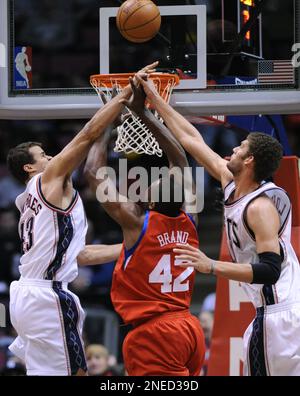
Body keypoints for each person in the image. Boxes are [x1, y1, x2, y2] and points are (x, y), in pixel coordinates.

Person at [136, 74, 300, 376]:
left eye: (239, 148)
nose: (232, 151)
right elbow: (191, 140)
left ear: (249, 160)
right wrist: (156, 99)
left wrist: (210, 265)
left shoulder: (260, 207)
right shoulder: (231, 182)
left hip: (280, 316)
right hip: (274, 315)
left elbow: (269, 270)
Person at [5, 62, 156, 376]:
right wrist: (123, 94)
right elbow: (86, 135)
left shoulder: (35, 201)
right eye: (43, 156)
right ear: (30, 169)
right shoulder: (46, 183)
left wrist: (134, 245)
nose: (51, 158)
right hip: (45, 295)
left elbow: (80, 255)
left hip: (29, 294)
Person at [84, 79, 205, 376]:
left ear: (150, 201)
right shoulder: (191, 219)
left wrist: (110, 116)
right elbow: (179, 157)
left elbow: (92, 173)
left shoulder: (138, 224)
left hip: (156, 334)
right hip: (188, 326)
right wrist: (146, 114)